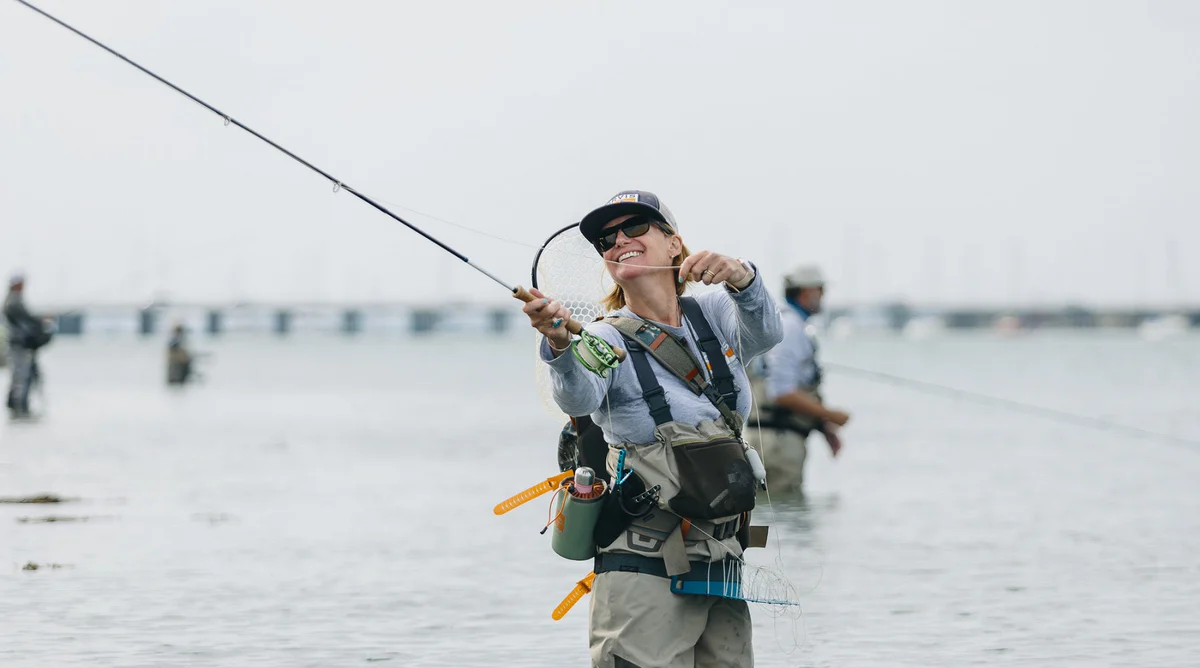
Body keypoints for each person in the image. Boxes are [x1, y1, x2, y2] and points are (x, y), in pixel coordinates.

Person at [524, 190, 783, 668]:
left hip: (722, 560)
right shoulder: (601, 336)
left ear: (674, 244)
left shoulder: (715, 312)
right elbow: (578, 397)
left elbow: (767, 331)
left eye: (636, 227)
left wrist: (742, 277)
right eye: (607, 238)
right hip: (643, 565)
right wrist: (559, 345)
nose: (619, 239)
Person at [747, 265, 851, 493]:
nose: (823, 296)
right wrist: (831, 415)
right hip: (777, 444)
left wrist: (825, 428)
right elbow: (781, 392)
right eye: (821, 290)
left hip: (774, 439)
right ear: (807, 293)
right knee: (781, 515)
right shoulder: (791, 328)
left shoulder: (784, 322)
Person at [4, 273, 52, 419]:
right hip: (19, 346)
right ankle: (19, 409)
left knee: (23, 376)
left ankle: (18, 408)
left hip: (22, 345)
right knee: (21, 377)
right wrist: (41, 321)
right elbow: (27, 318)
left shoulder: (13, 300)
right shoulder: (13, 301)